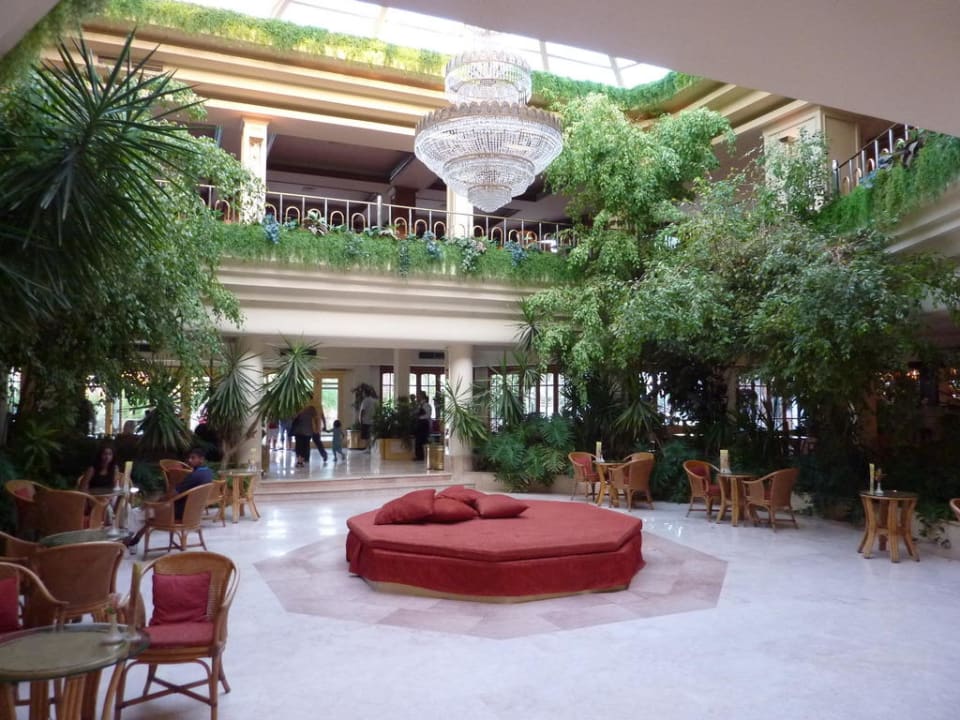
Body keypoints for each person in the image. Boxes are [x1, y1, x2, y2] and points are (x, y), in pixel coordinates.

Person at [173, 446, 213, 519]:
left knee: (159, 507)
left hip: (183, 511)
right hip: (196, 511)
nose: (189, 460)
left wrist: (160, 502)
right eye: (189, 458)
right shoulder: (209, 471)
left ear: (201, 459)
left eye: (193, 458)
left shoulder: (194, 476)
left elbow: (175, 492)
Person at [414, 390, 432, 461]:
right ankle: (419, 456)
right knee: (418, 441)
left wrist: (419, 417)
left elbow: (428, 415)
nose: (417, 397)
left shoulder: (427, 405)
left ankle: (422, 456)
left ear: (422, 396)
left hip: (424, 424)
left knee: (422, 440)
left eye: (418, 396)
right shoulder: (419, 405)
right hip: (419, 424)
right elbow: (416, 412)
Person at [358, 389, 378, 453]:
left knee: (366, 436)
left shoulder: (365, 401)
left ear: (365, 393)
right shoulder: (374, 401)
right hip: (373, 420)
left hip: (365, 421)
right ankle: (370, 448)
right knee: (371, 435)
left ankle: (368, 448)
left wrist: (360, 419)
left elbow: (362, 411)